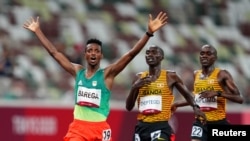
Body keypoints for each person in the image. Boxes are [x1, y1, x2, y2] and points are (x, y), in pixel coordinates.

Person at [23, 12, 168, 141]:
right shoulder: (77, 71)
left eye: (97, 51)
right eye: (90, 50)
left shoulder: (107, 74)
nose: (93, 53)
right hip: (78, 129)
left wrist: (148, 33)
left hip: (100, 129)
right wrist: (37, 31)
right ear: (85, 54)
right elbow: (54, 53)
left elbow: (130, 54)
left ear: (101, 55)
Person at [125, 45, 206, 141]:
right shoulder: (138, 78)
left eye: (154, 52)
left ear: (161, 57)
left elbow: (188, 96)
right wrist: (134, 87)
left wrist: (195, 107)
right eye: (148, 53)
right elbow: (129, 107)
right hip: (141, 127)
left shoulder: (170, 77)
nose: (150, 55)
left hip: (160, 127)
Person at [171, 44, 244, 141]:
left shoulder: (222, 74)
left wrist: (218, 93)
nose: (204, 56)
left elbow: (239, 98)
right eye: (202, 53)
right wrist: (176, 104)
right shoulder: (196, 74)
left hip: (218, 122)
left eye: (209, 54)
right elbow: (197, 98)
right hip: (200, 122)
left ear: (215, 58)